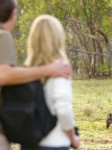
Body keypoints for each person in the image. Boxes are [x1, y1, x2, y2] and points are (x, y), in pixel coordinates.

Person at [0, 0, 71, 149]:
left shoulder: (28, 69)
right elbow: (4, 75)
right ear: (13, 14)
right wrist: (49, 69)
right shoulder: (3, 37)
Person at [22, 15, 80, 150]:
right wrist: (73, 138)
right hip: (54, 143)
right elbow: (63, 110)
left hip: (30, 143)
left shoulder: (27, 71)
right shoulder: (60, 69)